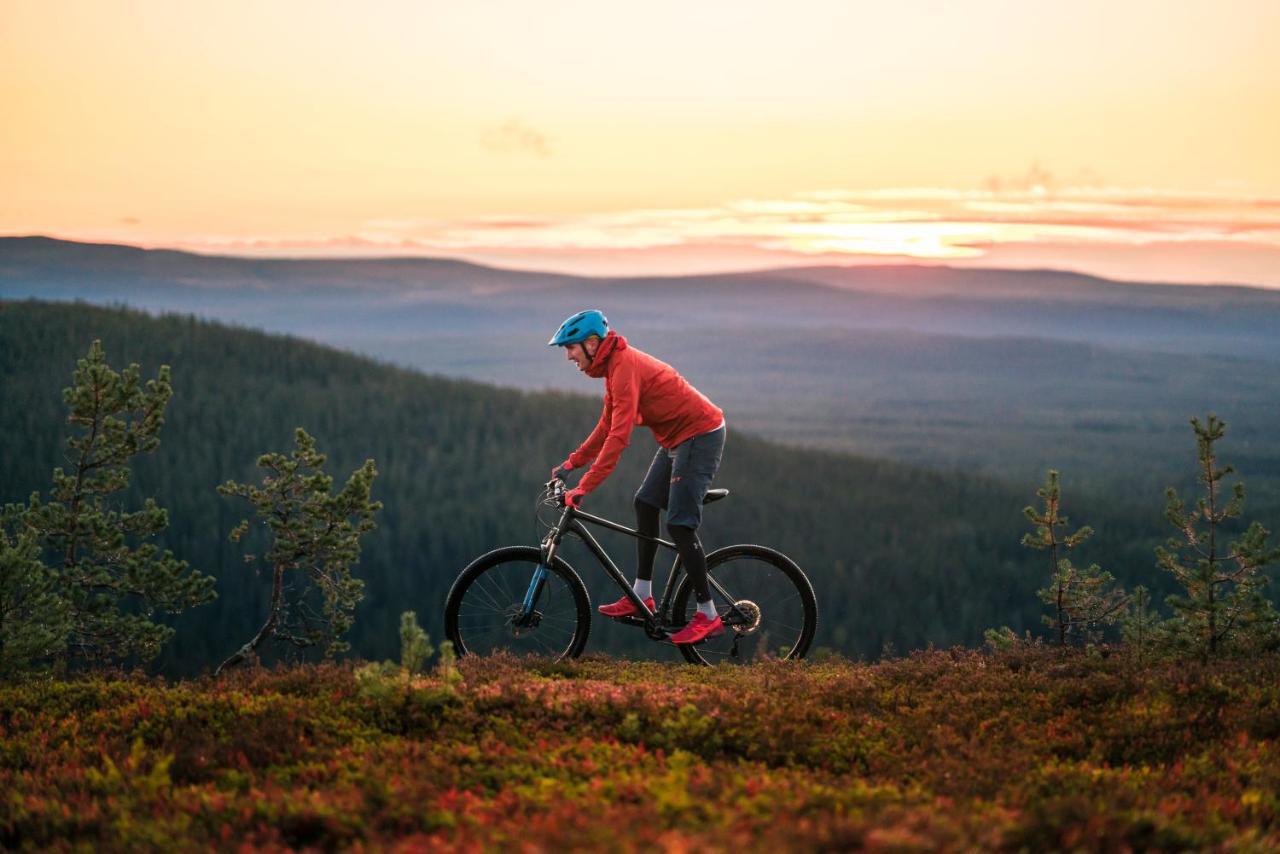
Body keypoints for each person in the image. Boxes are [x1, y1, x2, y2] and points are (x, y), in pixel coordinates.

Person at [548, 309, 727, 645]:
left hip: (700, 434)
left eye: (570, 347)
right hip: (677, 437)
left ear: (591, 343)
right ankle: (641, 596)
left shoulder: (623, 368)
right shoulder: (613, 369)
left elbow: (618, 437)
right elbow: (605, 425)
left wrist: (584, 486)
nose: (568, 355)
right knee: (645, 503)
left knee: (679, 524)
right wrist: (571, 464)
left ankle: (708, 615)